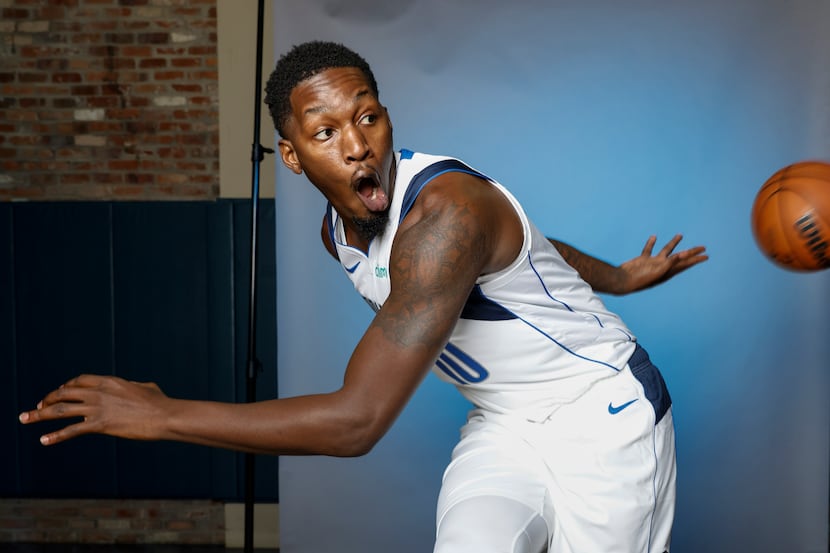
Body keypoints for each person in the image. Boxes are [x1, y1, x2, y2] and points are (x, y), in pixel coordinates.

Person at [19, 41, 708, 553]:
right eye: (325, 132)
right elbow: (530, 245)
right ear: (291, 155)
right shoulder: (339, 232)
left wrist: (165, 415)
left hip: (602, 419)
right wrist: (617, 275)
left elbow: (359, 420)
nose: (357, 146)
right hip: (505, 423)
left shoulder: (446, 214)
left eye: (368, 117)